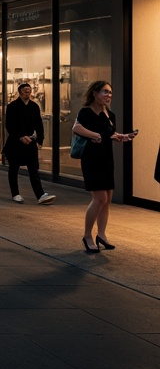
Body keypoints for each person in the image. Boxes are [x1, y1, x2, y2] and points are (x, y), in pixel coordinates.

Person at [72, 80, 137, 252]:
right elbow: (76, 128)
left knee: (107, 200)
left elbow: (108, 135)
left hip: (106, 158)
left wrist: (121, 136)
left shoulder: (110, 114)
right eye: (105, 92)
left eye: (110, 92)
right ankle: (87, 235)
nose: (109, 95)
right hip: (92, 159)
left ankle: (101, 235)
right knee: (99, 198)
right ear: (95, 93)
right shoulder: (86, 112)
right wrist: (96, 135)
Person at [3, 82, 55, 203]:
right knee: (13, 169)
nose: (28, 92)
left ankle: (40, 195)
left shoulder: (34, 106)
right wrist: (20, 136)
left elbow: (39, 124)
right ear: (19, 92)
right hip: (15, 143)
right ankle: (15, 193)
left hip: (30, 142)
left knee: (33, 169)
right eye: (25, 90)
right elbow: (9, 125)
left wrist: (40, 139)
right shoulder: (12, 106)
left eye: (29, 90)